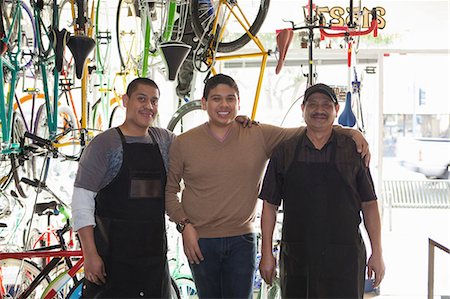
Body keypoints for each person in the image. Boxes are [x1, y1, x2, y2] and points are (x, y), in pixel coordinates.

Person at [165, 74, 371, 298]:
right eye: (216, 99)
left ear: (238, 103)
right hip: (200, 239)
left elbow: (312, 129)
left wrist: (350, 132)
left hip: (241, 240)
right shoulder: (183, 142)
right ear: (204, 103)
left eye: (230, 99)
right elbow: (170, 192)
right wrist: (184, 226)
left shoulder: (258, 134)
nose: (224, 105)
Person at [258, 83, 385, 298]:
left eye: (326, 105)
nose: (319, 110)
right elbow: (269, 206)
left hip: (345, 257)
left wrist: (378, 252)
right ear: (303, 109)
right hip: (299, 256)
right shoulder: (284, 152)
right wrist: (266, 253)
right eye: (313, 104)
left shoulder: (353, 151)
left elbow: (370, 204)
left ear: (336, 110)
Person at [71, 78, 175, 298]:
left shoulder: (165, 141)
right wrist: (89, 255)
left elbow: (198, 146)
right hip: (112, 263)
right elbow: (82, 203)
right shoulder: (103, 145)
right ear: (126, 100)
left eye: (154, 101)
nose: (149, 106)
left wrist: (233, 123)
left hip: (154, 263)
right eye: (142, 99)